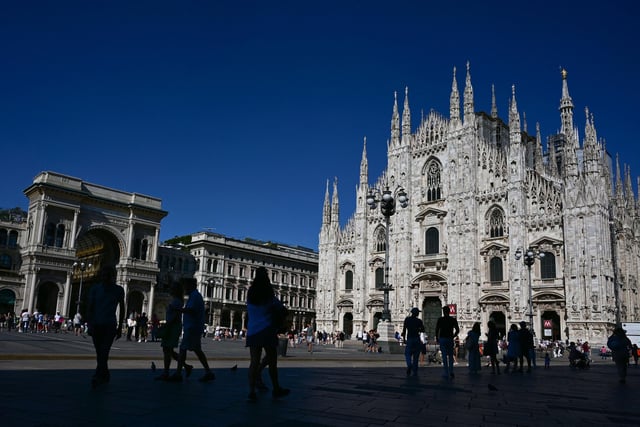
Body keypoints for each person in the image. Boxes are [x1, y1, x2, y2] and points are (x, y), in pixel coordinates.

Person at [246, 267, 289, 401]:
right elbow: (282, 310)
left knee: (254, 362)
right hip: (267, 331)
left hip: (253, 331)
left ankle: (252, 391)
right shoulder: (269, 296)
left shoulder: (250, 294)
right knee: (272, 361)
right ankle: (276, 388)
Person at [168, 277, 215, 383]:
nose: (184, 289)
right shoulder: (194, 296)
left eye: (186, 286)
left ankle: (178, 373)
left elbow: (192, 310)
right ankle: (208, 372)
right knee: (197, 350)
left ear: (190, 286)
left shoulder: (194, 296)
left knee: (183, 349)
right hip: (193, 327)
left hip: (192, 327)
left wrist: (178, 309)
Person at [85, 265, 125, 388]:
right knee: (100, 353)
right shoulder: (95, 289)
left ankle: (98, 376)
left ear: (112, 276)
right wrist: (89, 324)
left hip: (109, 325)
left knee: (104, 351)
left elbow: (122, 308)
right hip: (97, 324)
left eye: (107, 275)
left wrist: (119, 328)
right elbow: (90, 307)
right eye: (103, 275)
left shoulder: (118, 290)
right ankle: (105, 373)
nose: (105, 277)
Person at [156, 282, 193, 381]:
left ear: (175, 290)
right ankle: (186, 366)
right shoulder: (176, 300)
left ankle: (166, 373)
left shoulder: (176, 301)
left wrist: (167, 325)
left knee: (167, 349)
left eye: (171, 288)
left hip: (172, 327)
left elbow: (176, 315)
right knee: (169, 350)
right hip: (173, 326)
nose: (169, 290)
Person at [435, 305, 459, 379]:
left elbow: (437, 329)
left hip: (442, 338)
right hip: (449, 338)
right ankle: (451, 371)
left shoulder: (440, 319)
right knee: (451, 355)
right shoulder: (453, 320)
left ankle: (446, 372)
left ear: (443, 312)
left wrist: (437, 338)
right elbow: (457, 330)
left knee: (444, 356)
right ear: (449, 312)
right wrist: (453, 336)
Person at [402, 307, 425, 376]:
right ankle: (415, 371)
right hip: (416, 339)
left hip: (410, 339)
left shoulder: (407, 319)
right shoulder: (419, 321)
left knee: (407, 354)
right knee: (416, 356)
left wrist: (403, 339)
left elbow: (404, 330)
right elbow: (423, 330)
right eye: (418, 312)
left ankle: (409, 365)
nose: (418, 313)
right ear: (417, 313)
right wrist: (418, 329)